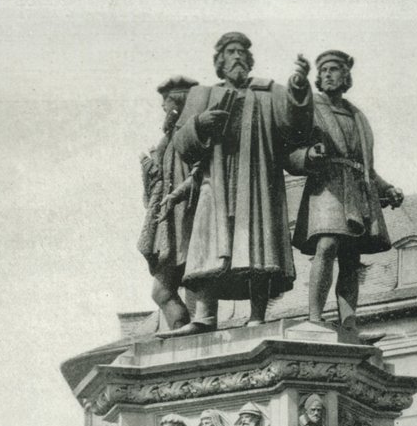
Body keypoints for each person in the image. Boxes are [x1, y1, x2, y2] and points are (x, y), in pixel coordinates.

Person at [170, 31, 313, 333]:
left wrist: (298, 90)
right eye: (230, 52)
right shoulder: (202, 95)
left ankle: (257, 316)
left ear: (249, 61)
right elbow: (181, 144)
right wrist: (200, 124)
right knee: (209, 246)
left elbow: (295, 127)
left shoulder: (268, 92)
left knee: (257, 247)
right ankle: (205, 317)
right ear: (219, 62)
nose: (237, 57)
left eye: (242, 53)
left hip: (257, 182)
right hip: (215, 182)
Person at [287, 51, 402, 332]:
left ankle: (349, 324)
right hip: (326, 184)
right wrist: (298, 83)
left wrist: (387, 188)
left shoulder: (357, 116)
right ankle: (315, 318)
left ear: (345, 76)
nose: (327, 74)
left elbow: (366, 165)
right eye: (323, 70)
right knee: (327, 245)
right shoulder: (312, 107)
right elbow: (294, 123)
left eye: (334, 69)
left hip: (356, 189)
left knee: (351, 257)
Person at [138, 76, 200, 331]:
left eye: (167, 103)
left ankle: (195, 333)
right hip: (169, 225)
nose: (163, 109)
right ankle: (184, 338)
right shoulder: (165, 143)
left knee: (192, 281)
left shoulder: (192, 134)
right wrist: (149, 172)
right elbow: (152, 193)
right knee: (161, 293)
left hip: (189, 219)